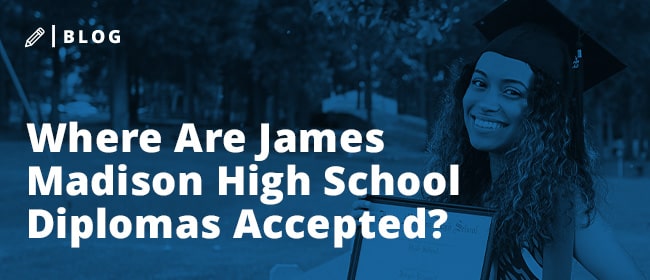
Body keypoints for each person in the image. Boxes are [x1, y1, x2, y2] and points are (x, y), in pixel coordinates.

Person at [353, 0, 646, 279]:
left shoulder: (561, 203)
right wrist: (384, 235)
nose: (486, 103)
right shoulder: (462, 186)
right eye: (479, 83)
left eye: (512, 91)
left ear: (542, 113)